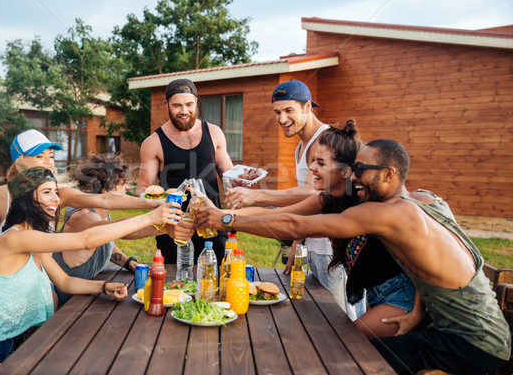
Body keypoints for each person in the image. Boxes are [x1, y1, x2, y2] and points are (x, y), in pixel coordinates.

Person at [195, 139, 510, 374]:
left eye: (360, 170)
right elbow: (449, 261)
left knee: (348, 361)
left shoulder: (390, 213)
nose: (354, 177)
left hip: (470, 344)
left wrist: (225, 220)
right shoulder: (422, 203)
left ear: (388, 174)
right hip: (472, 334)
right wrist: (418, 308)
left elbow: (295, 225)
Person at [0, 167, 181, 375]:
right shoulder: (14, 239)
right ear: (27, 199)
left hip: (0, 351)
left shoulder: (35, 240)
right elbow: (86, 240)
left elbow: (64, 281)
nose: (56, 199)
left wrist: (103, 287)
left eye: (56, 192)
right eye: (47, 192)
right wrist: (150, 218)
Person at [223, 121, 421, 337]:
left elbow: (421, 253)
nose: (312, 168)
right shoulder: (326, 200)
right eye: (313, 160)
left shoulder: (365, 200)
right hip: (376, 295)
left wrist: (419, 310)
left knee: (347, 343)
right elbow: (271, 216)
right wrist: (217, 214)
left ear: (345, 172)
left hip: (400, 295)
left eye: (320, 162)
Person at [226, 79, 363, 319]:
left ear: (308, 107)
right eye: (277, 112)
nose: (281, 118)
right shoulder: (302, 146)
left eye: (289, 110)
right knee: (322, 314)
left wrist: (256, 195)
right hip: (315, 242)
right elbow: (310, 203)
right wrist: (299, 242)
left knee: (341, 317)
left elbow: (314, 194)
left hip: (333, 247)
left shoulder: (325, 139)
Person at [0, 129, 163, 257]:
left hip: (46, 276)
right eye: (39, 156)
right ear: (20, 161)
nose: (48, 162)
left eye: (50, 156)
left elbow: (106, 200)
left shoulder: (57, 194)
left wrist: (155, 203)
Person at [54, 153, 194, 306]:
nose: (128, 187)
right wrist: (163, 227)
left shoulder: (101, 214)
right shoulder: (82, 217)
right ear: (104, 189)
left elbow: (105, 241)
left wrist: (128, 262)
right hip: (68, 307)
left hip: (90, 297)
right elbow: (121, 230)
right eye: (122, 183)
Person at [137, 78, 234, 264]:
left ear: (196, 102)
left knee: (217, 284)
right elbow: (143, 188)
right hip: (174, 229)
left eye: (189, 104)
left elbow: (228, 175)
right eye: (177, 105)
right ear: (166, 104)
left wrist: (241, 182)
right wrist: (159, 201)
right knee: (174, 287)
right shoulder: (153, 143)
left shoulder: (214, 133)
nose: (184, 111)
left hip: (212, 224)